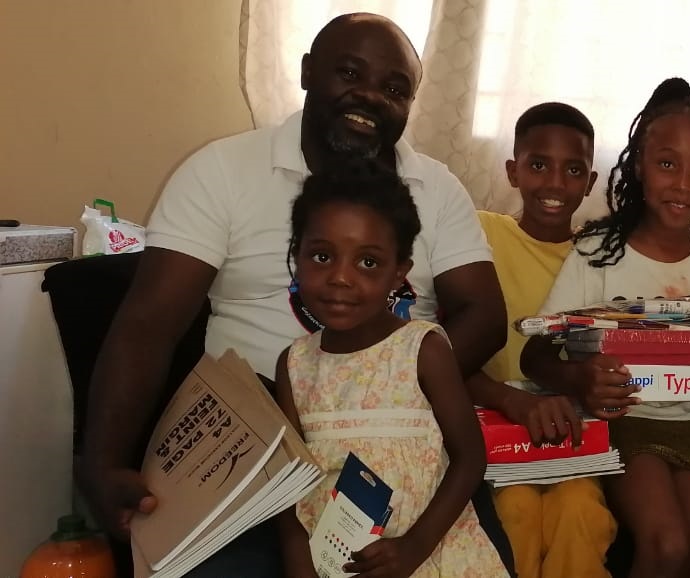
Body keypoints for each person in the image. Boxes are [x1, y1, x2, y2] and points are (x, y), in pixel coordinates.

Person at [80, 13, 508, 576]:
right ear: (307, 72)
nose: (369, 96)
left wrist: (392, 385)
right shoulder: (221, 170)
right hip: (252, 439)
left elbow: (484, 315)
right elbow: (148, 324)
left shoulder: (439, 188)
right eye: (349, 73)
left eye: (394, 88)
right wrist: (103, 461)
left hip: (403, 433)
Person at [521, 79, 690, 578]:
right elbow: (534, 355)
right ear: (640, 164)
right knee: (667, 545)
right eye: (668, 164)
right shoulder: (598, 251)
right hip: (627, 421)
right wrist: (581, 378)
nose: (684, 184)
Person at [274, 163, 508, 577]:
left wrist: (414, 547)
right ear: (297, 255)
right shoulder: (293, 365)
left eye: (367, 262)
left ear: (399, 272)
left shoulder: (423, 349)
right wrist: (299, 560)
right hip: (335, 561)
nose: (340, 278)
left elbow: (470, 457)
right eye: (322, 256)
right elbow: (286, 480)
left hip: (431, 552)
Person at [465, 102, 618, 578]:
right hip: (493, 421)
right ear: (513, 171)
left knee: (581, 512)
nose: (555, 183)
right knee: (515, 512)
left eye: (573, 170)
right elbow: (444, 346)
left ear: (590, 182)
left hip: (575, 430)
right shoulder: (480, 234)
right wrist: (509, 400)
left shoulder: (599, 255)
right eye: (538, 165)